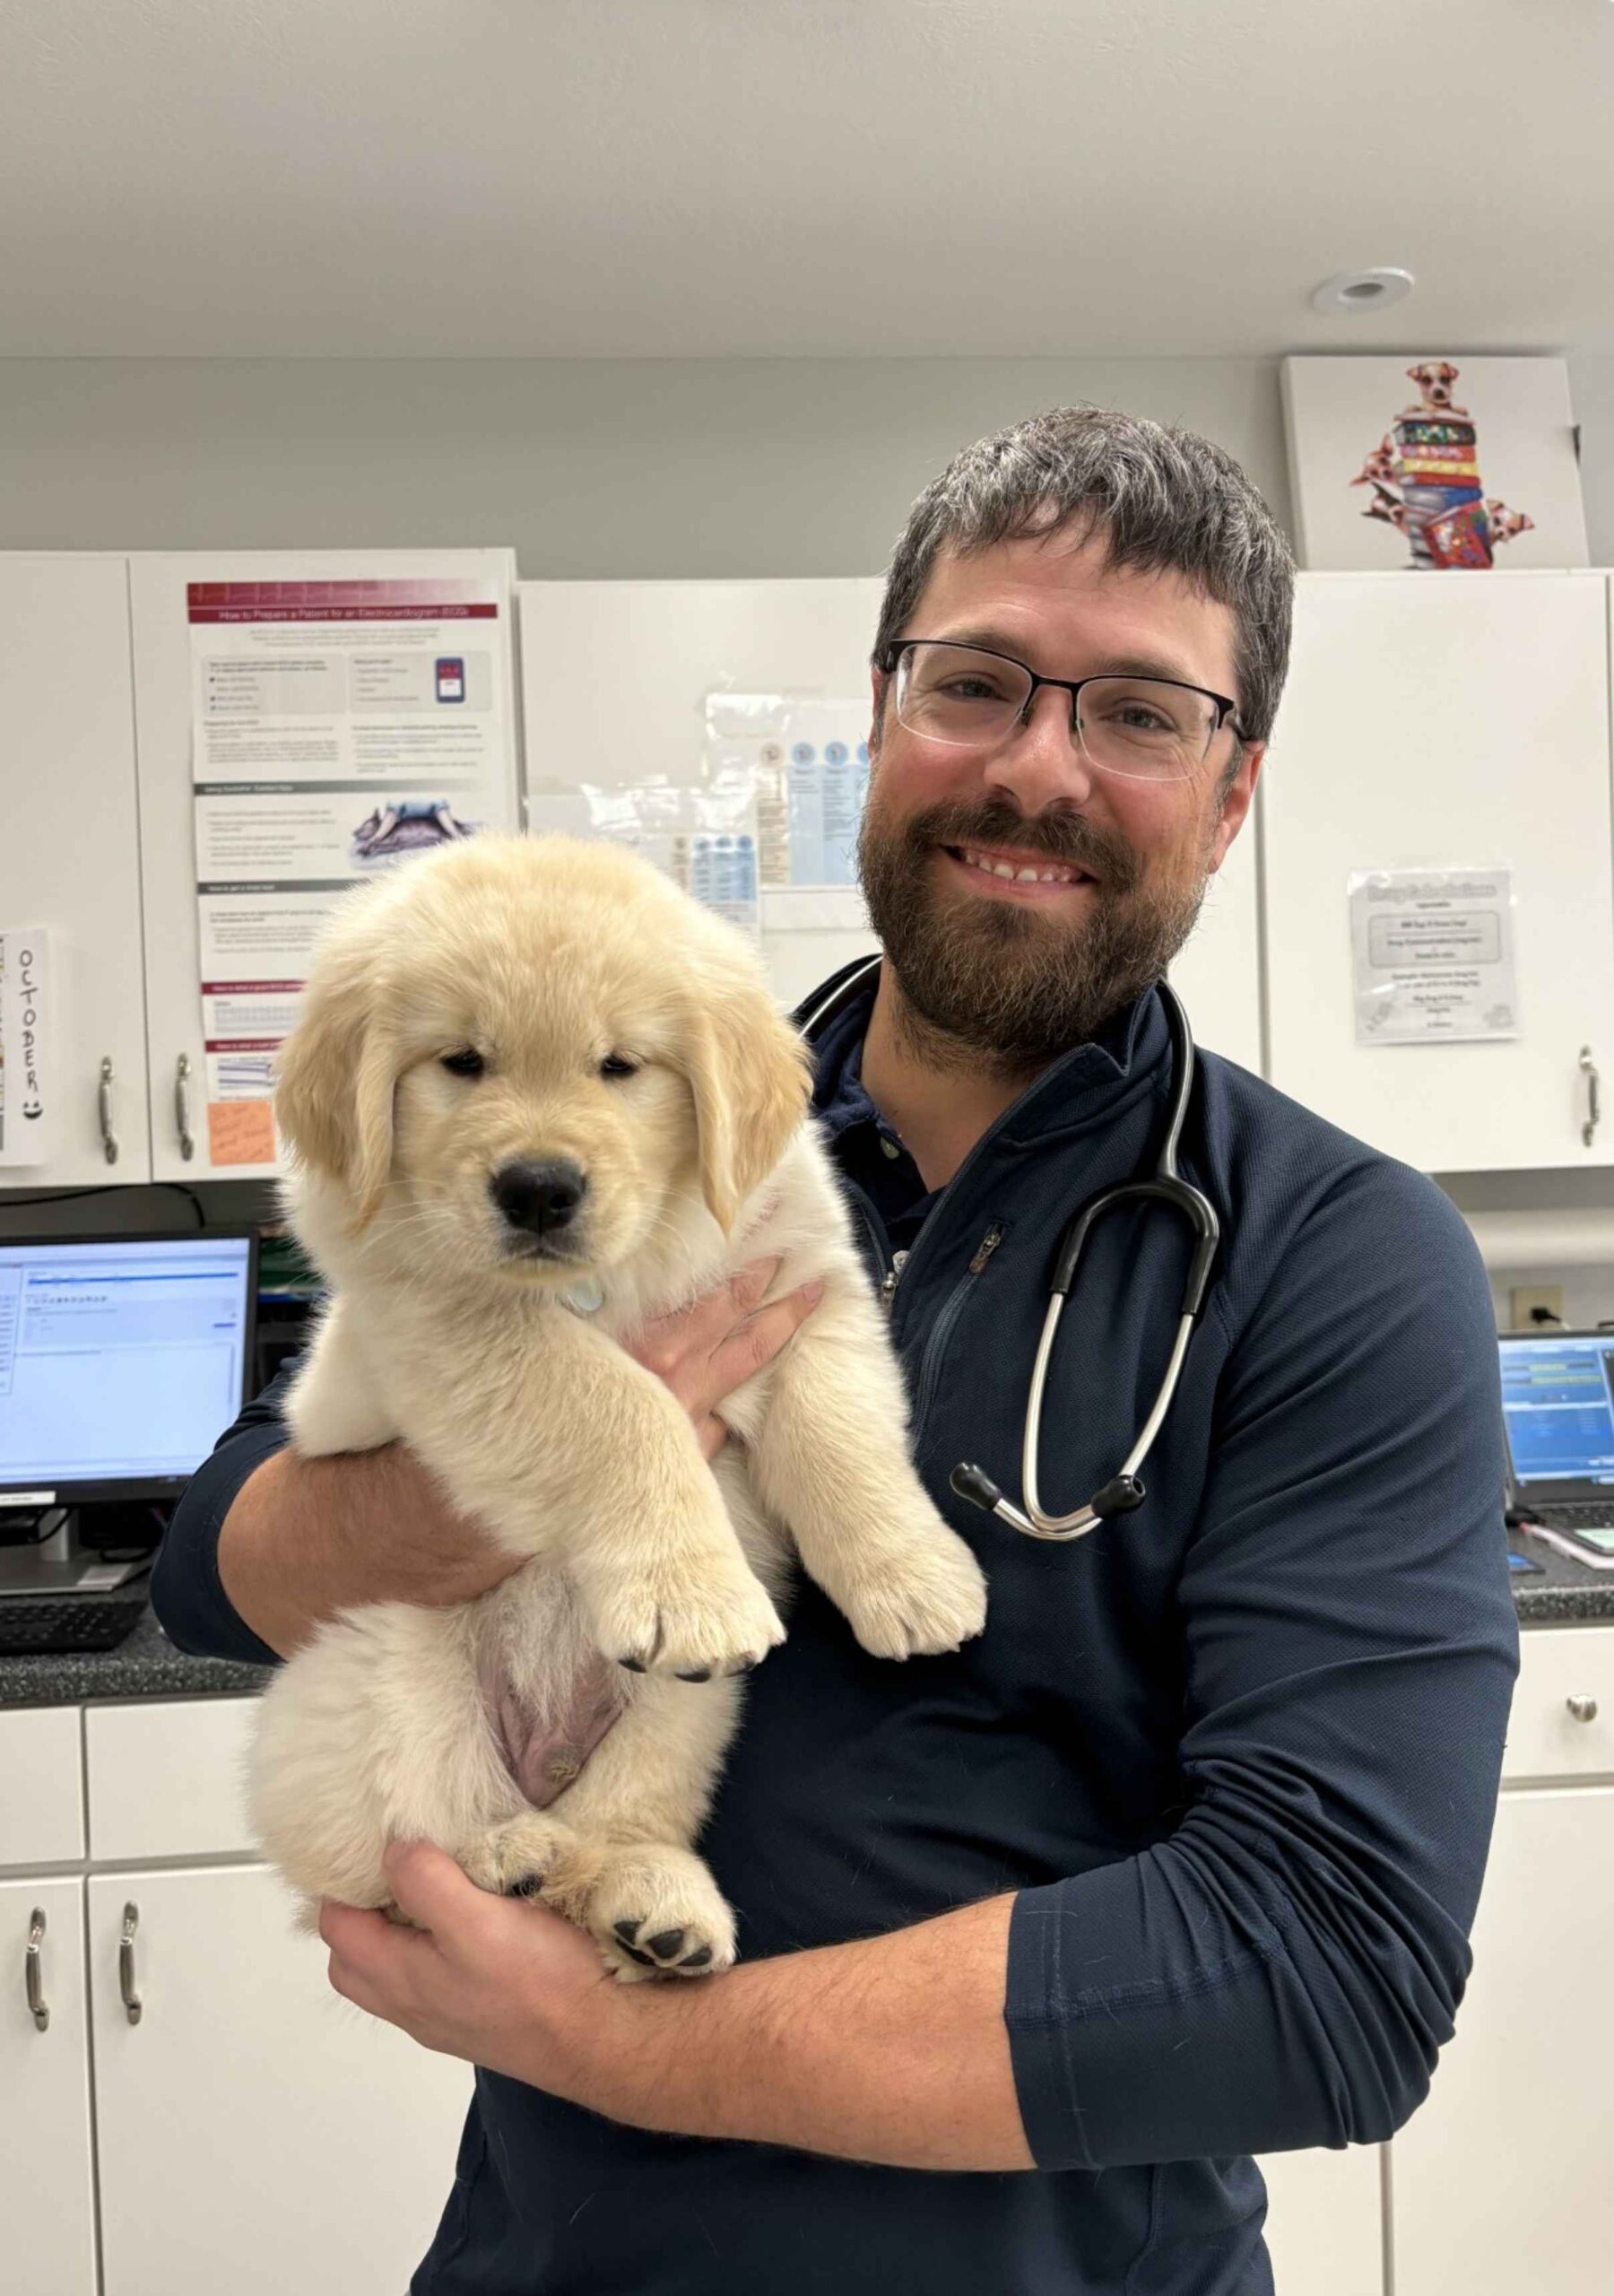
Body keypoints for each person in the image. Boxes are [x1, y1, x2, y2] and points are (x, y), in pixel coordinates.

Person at [152, 406, 1518, 2296]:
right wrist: (526, 1461)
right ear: (882, 713)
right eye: (978, 683)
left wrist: (620, 2042)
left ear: (1231, 793)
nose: (1039, 764)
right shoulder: (639, 1083)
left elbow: (1326, 1973)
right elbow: (215, 1557)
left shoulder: (1337, 1256)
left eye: (1138, 711)